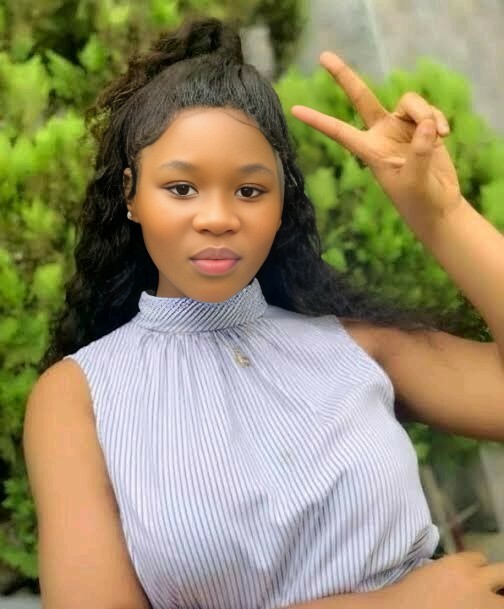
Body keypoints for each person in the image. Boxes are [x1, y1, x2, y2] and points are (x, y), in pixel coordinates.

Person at [23, 16, 504, 609]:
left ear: (281, 204)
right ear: (131, 195)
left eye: (250, 190)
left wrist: (443, 215)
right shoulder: (77, 397)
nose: (218, 218)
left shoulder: (354, 345)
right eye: (181, 188)